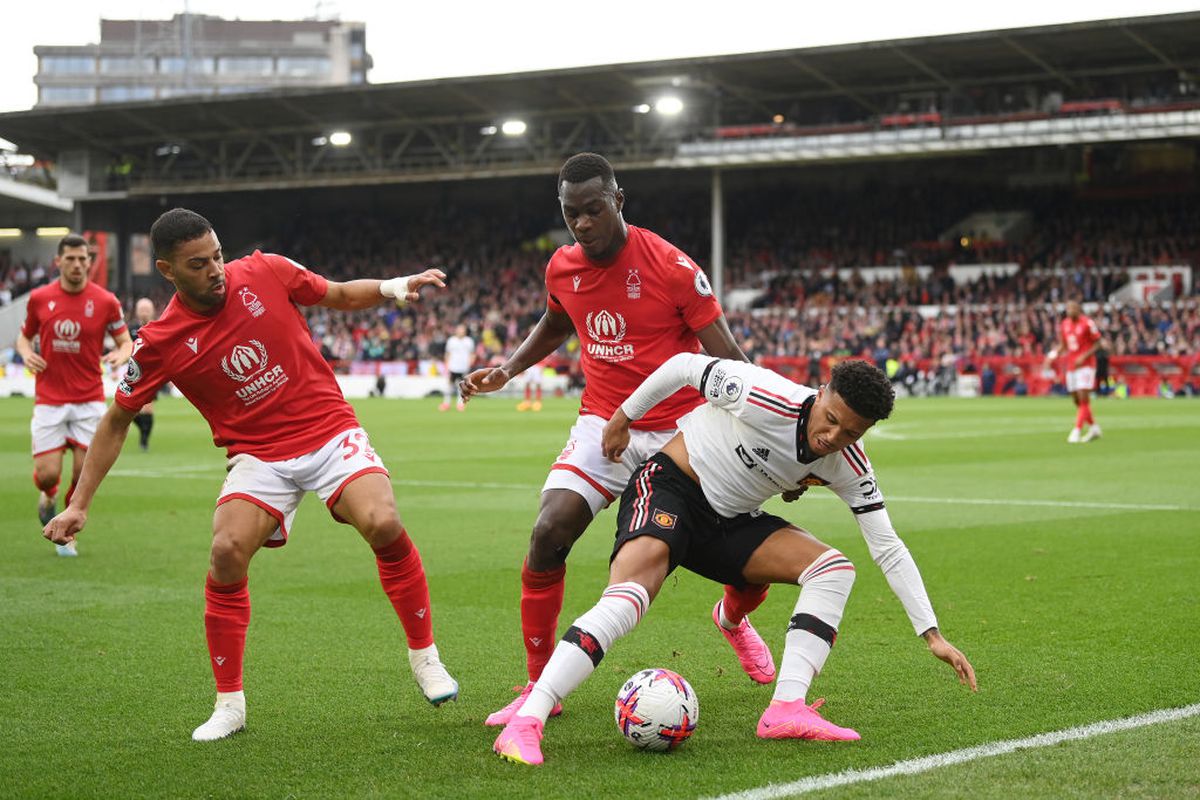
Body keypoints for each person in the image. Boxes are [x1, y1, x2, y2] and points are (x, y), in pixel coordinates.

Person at [43, 208, 458, 742]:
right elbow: (116, 420)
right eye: (199, 264)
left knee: (382, 521)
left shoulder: (265, 270)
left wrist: (398, 285)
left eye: (217, 254)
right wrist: (78, 503)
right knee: (225, 551)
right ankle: (229, 704)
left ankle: (425, 657)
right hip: (258, 455)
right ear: (167, 271)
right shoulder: (160, 342)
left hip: (327, 430)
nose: (216, 269)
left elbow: (337, 294)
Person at [493, 357, 977, 765]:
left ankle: (786, 707)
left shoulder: (848, 462)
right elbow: (683, 367)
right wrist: (624, 415)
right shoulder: (766, 394)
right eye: (831, 418)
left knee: (833, 569)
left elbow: (887, 544)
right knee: (630, 598)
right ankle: (528, 719)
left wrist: (930, 633)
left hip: (730, 520)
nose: (833, 436)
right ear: (822, 390)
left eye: (851, 432)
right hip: (672, 487)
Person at [461, 152, 770, 726]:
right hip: (603, 425)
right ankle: (536, 687)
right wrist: (507, 370)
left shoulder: (673, 267)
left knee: (748, 563)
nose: (581, 225)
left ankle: (732, 617)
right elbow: (557, 321)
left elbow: (730, 357)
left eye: (593, 210)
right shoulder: (562, 267)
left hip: (685, 435)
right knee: (549, 530)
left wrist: (773, 429)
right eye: (570, 214)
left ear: (618, 201)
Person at [17, 233, 132, 557]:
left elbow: (126, 341)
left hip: (89, 399)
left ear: (89, 262)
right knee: (47, 474)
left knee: (84, 474)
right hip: (50, 399)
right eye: (71, 258)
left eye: (84, 259)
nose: (78, 264)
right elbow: (23, 339)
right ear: (58, 261)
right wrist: (26, 353)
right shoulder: (39, 298)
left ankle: (66, 531)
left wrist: (122, 353)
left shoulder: (106, 301)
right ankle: (48, 495)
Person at [1048, 299, 1103, 443]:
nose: (1069, 311)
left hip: (1086, 365)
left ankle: (1076, 430)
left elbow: (1098, 343)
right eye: (1067, 308)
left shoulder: (1087, 323)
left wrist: (1083, 356)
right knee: (1077, 400)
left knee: (1083, 396)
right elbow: (1063, 345)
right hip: (1071, 365)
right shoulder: (1065, 324)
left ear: (1078, 309)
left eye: (1072, 308)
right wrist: (1052, 356)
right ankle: (1094, 428)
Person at [127, 297, 158, 450]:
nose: (144, 313)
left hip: (152, 374)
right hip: (132, 374)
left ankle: (144, 441)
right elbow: (124, 349)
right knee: (130, 410)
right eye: (142, 310)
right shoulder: (130, 329)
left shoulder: (159, 327)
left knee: (147, 408)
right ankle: (143, 431)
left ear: (152, 311)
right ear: (137, 312)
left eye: (147, 310)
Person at [440, 323, 474, 412]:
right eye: (459, 329)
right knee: (449, 386)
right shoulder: (451, 340)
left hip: (463, 367)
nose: (461, 331)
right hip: (453, 367)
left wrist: (470, 364)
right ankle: (446, 403)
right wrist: (446, 365)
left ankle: (460, 404)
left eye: (462, 330)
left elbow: (472, 354)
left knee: (462, 387)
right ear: (456, 331)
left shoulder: (469, 341)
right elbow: (447, 354)